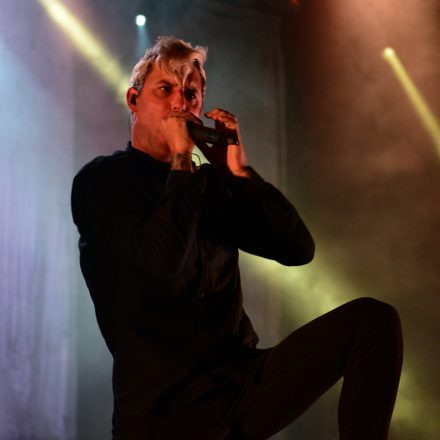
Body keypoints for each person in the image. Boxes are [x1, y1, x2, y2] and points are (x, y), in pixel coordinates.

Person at [71, 36, 403, 440]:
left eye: (190, 94)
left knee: (372, 322)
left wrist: (241, 175)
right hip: (162, 414)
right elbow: (162, 260)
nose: (179, 104)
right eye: (165, 89)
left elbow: (297, 249)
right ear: (133, 99)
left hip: (239, 388)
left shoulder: (208, 185)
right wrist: (183, 160)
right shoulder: (101, 183)